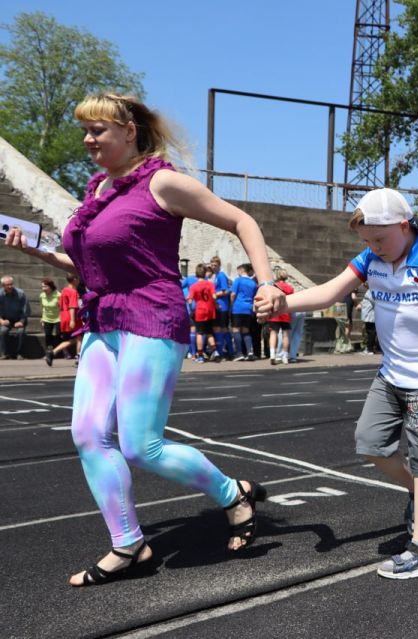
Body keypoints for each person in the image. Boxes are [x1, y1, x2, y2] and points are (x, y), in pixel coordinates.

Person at [3, 92, 285, 586]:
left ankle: (231, 494)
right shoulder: (95, 191)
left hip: (151, 316)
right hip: (103, 317)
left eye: (98, 130)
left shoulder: (163, 182)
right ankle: (129, 544)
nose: (88, 140)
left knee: (140, 445)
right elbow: (90, 266)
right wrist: (42, 253)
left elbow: (243, 221)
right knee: (88, 434)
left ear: (129, 132)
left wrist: (264, 282)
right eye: (85, 131)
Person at [255, 188, 418, 579]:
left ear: (404, 224)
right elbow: (330, 290)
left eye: (380, 239)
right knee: (370, 443)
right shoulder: (371, 258)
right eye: (367, 241)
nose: (374, 247)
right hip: (391, 375)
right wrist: (284, 302)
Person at [187, 263, 220, 363]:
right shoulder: (210, 284)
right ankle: (215, 351)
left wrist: (191, 309)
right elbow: (214, 297)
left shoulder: (194, 286)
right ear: (205, 273)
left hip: (200, 311)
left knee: (200, 333)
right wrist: (216, 305)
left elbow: (189, 300)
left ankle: (200, 355)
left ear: (196, 274)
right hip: (210, 310)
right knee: (209, 332)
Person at [229, 262, 257, 360]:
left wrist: (231, 304)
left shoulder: (238, 280)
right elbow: (254, 296)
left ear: (241, 270)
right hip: (248, 308)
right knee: (246, 330)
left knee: (236, 330)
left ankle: (239, 353)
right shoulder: (253, 283)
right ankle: (250, 352)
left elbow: (233, 294)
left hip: (238, 307)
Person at [266, 268, 295, 364]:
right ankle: (285, 356)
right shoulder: (290, 288)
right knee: (285, 335)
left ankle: (272, 354)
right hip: (286, 313)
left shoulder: (274, 286)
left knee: (273, 333)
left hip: (275, 312)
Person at [51, 274, 81, 362]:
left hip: (63, 316)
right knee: (80, 337)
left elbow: (59, 304)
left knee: (75, 338)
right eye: (78, 279)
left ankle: (53, 352)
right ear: (75, 280)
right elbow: (72, 306)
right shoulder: (73, 292)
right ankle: (78, 357)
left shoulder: (64, 290)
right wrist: (72, 320)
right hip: (72, 316)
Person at [209, 256, 233, 358]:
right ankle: (221, 352)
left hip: (222, 306)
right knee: (219, 328)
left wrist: (215, 294)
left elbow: (226, 290)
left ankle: (229, 352)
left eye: (215, 265)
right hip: (217, 305)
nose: (213, 267)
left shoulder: (221, 275)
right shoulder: (216, 276)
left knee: (223, 328)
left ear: (219, 265)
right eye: (212, 265)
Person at [0, 275, 30, 359]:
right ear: (3, 286)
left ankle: (19, 353)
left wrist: (21, 321)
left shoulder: (20, 293)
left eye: (11, 284)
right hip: (6, 319)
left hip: (19, 318)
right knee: (2, 331)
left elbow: (25, 309)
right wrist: (1, 321)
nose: (10, 286)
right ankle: (4, 354)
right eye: (7, 285)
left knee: (20, 332)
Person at [39, 277, 62, 364]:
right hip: (47, 318)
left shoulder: (58, 295)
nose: (43, 289)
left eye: (45, 286)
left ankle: (61, 351)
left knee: (59, 334)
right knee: (48, 335)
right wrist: (42, 318)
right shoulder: (42, 295)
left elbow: (62, 308)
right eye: (42, 287)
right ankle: (48, 353)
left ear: (50, 286)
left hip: (58, 318)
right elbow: (43, 307)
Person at [360, 286, 379, 354]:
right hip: (369, 316)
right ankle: (370, 348)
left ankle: (369, 349)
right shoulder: (370, 291)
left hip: (370, 316)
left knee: (371, 333)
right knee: (371, 332)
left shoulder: (371, 291)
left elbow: (374, 301)